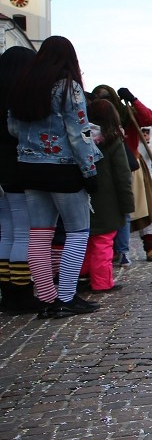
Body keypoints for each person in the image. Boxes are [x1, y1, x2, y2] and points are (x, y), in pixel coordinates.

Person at [8, 36, 101, 318]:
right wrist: (90, 170)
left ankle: (47, 297)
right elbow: (79, 133)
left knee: (38, 234)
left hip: (29, 166)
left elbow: (13, 127)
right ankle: (67, 296)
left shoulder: (22, 86)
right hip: (64, 168)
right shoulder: (68, 88)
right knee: (77, 232)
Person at [91, 85, 152, 261]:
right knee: (109, 208)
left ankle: (150, 246)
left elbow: (150, 118)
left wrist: (133, 99)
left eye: (106, 97)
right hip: (101, 165)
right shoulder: (93, 113)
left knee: (143, 206)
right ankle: (113, 249)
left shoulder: (126, 112)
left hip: (130, 164)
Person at [82, 100, 134, 293]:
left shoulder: (79, 137)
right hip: (107, 200)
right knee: (103, 241)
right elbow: (122, 176)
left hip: (83, 197)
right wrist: (127, 204)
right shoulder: (113, 140)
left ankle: (81, 276)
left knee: (83, 240)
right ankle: (102, 282)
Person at [0, 47, 35, 313]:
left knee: (6, 233)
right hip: (17, 169)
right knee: (23, 233)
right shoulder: (20, 99)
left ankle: (7, 291)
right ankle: (21, 293)